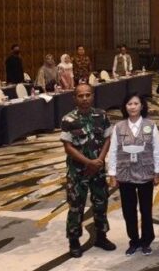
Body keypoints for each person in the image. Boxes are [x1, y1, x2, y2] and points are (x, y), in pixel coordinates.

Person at [60, 83, 116, 258]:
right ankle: (74, 241)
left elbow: (107, 139)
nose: (84, 98)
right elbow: (68, 147)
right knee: (76, 206)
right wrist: (89, 162)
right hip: (77, 172)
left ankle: (101, 237)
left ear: (93, 95)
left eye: (87, 95)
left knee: (101, 203)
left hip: (98, 170)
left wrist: (99, 161)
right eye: (80, 96)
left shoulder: (102, 115)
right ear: (74, 98)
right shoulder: (68, 119)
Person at [107, 92, 159, 256]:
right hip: (125, 174)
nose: (133, 107)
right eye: (129, 104)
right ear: (125, 107)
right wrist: (112, 174)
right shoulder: (119, 127)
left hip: (146, 172)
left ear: (142, 106)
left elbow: (157, 149)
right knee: (128, 210)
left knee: (146, 209)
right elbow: (113, 151)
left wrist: (157, 172)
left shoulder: (150, 125)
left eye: (136, 104)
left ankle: (146, 241)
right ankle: (134, 240)